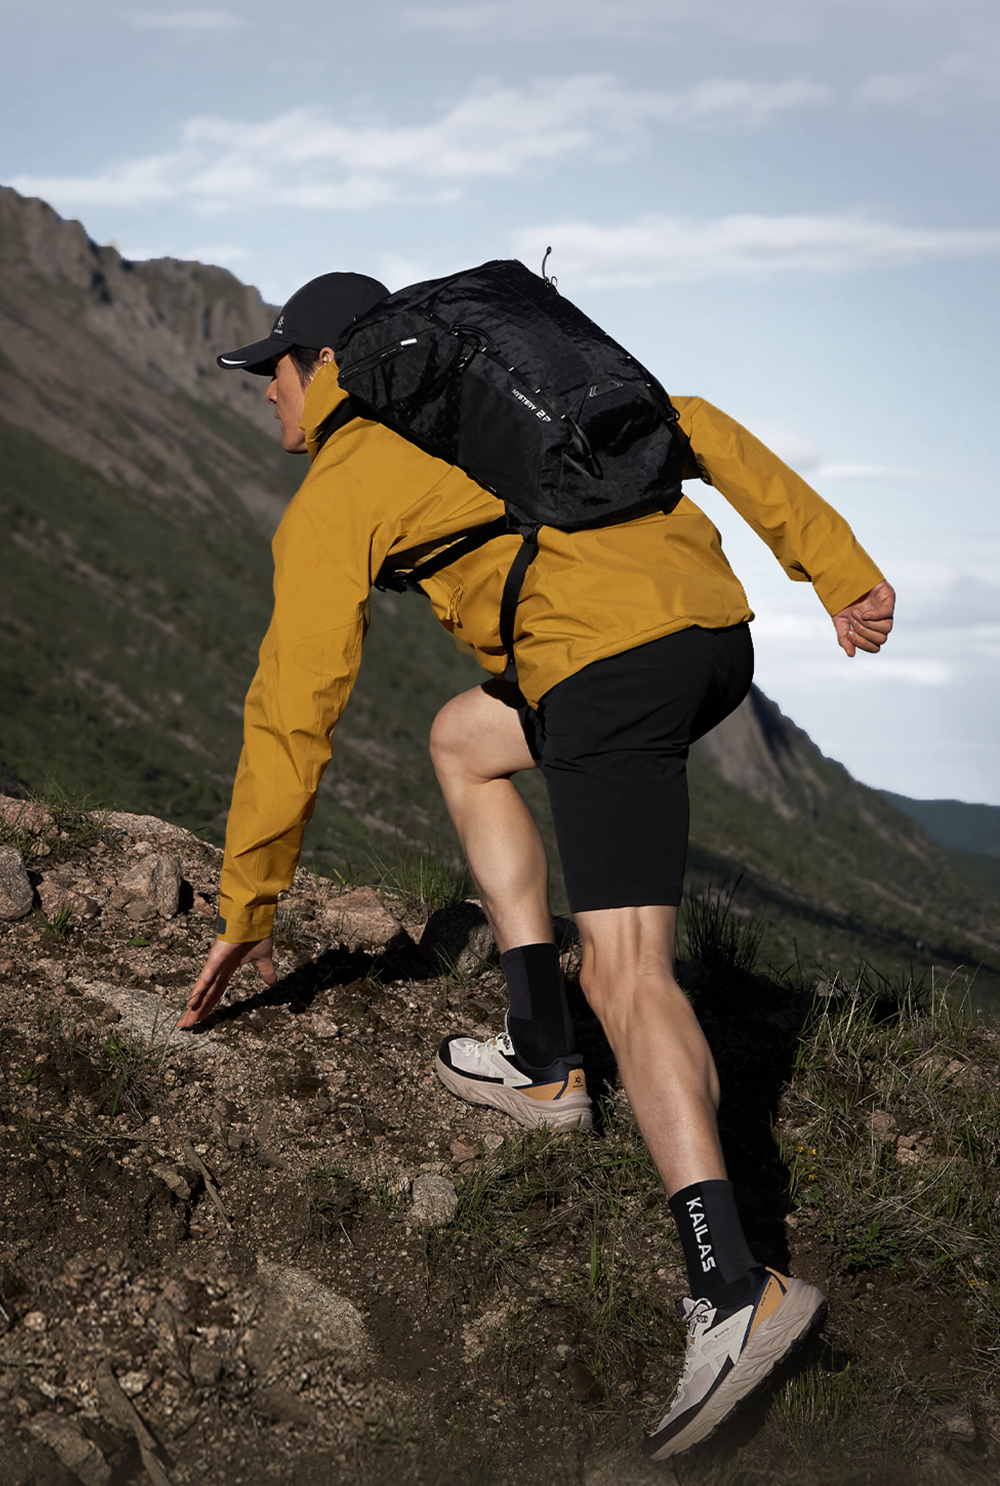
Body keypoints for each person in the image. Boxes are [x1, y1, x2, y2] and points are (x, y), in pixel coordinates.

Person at [180, 271, 895, 1459]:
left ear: (325, 363)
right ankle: (544, 1057)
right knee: (465, 739)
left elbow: (292, 704)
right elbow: (697, 423)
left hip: (608, 663)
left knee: (628, 970)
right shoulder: (505, 395)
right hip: (705, 636)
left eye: (276, 369)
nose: (268, 393)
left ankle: (732, 1288)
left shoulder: (343, 485)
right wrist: (837, 568)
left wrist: (247, 903)